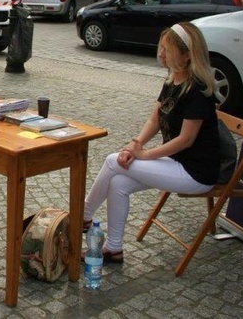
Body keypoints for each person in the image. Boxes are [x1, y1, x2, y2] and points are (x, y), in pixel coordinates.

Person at [83, 22, 219, 264]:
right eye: (161, 48)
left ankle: (83, 215)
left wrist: (144, 155)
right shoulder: (172, 81)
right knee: (118, 182)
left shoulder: (197, 90)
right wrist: (135, 144)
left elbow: (186, 140)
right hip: (175, 162)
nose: (161, 55)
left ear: (187, 55)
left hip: (195, 172)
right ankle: (113, 248)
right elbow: (154, 119)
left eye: (167, 50)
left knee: (112, 161)